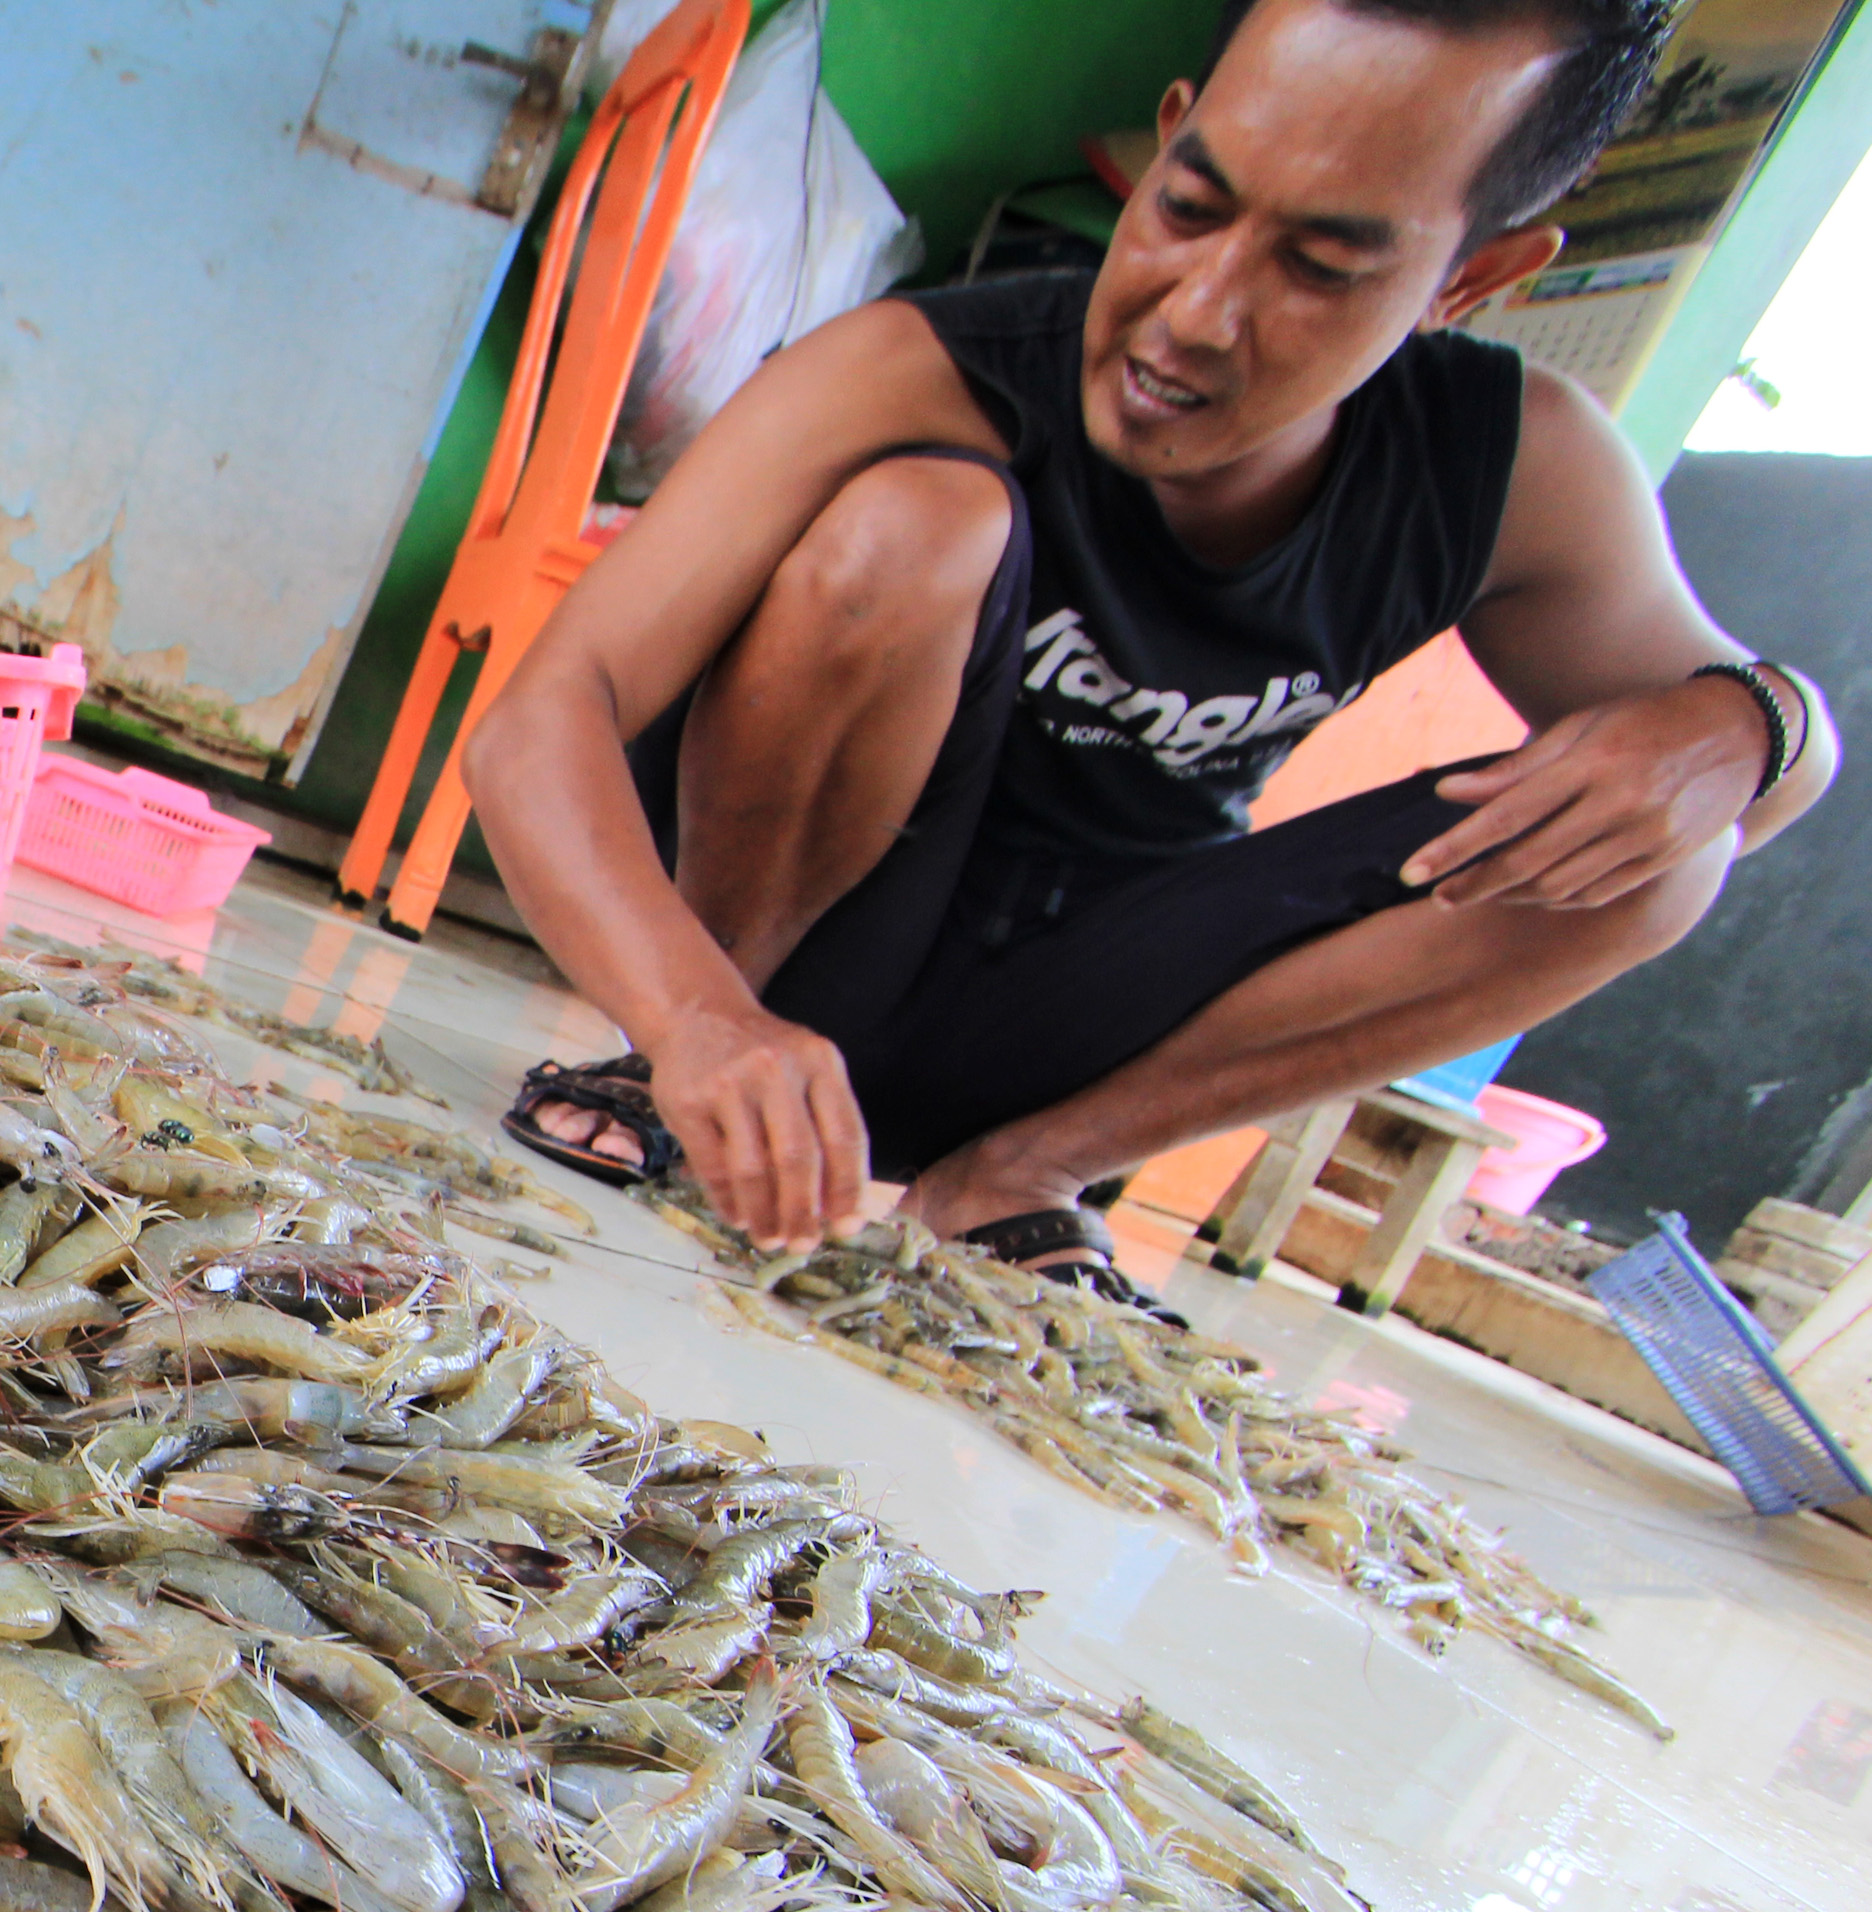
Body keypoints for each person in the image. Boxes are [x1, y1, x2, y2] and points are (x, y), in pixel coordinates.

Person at [463, 0, 1838, 1314]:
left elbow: (1776, 762)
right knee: (917, 519)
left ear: (1469, 280)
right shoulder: (912, 367)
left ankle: (1023, 1174)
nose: (1194, 312)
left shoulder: (1513, 463)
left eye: (1321, 266)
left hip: (1093, 1015)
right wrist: (696, 1016)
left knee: (1678, 841)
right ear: (1168, 135)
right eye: (1190, 206)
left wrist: (1745, 726)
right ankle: (674, 1083)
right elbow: (542, 720)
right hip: (776, 981)